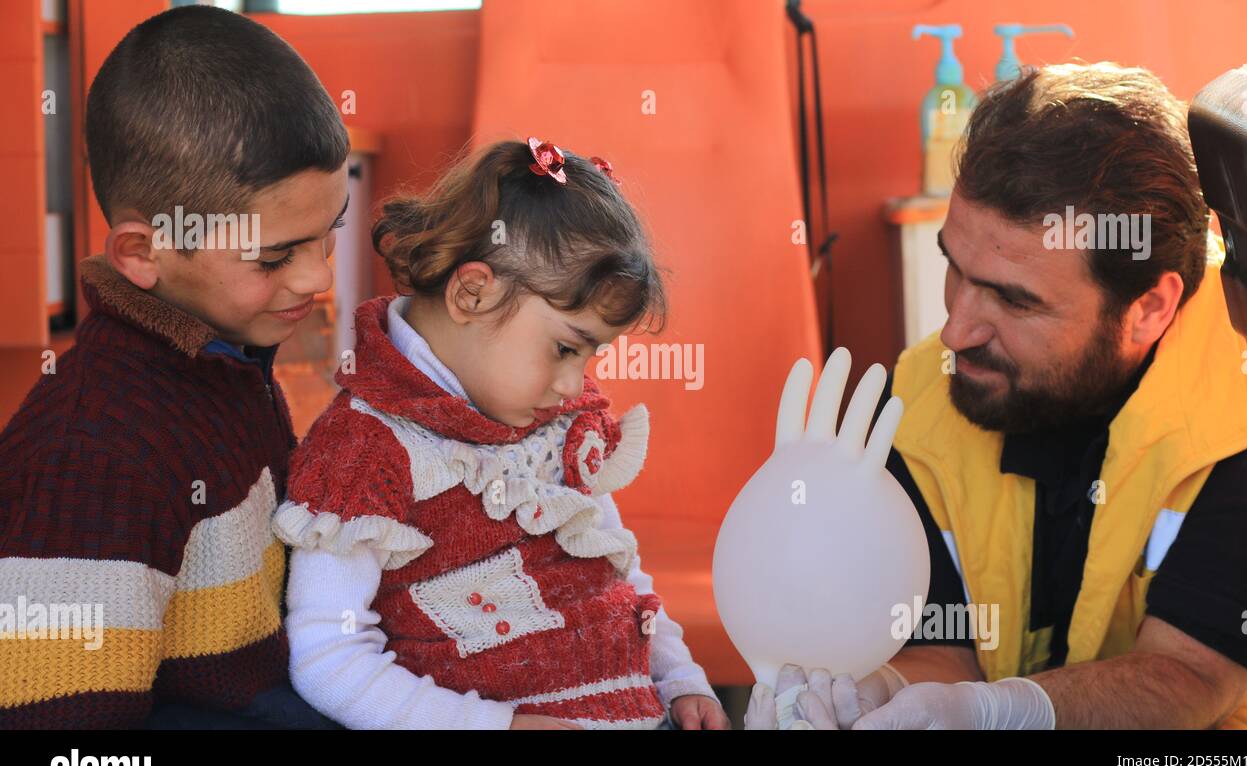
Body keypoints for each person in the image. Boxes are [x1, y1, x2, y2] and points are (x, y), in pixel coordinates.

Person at [749, 63, 1247, 730]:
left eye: (1014, 298)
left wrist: (999, 711)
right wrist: (877, 694)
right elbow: (941, 651)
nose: (955, 329)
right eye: (955, 266)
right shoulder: (923, 401)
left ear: (1150, 306)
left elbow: (1187, 678)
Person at [274, 137, 727, 729]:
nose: (574, 384)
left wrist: (681, 682)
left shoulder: (558, 425)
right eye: (565, 348)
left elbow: (617, 574)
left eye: (589, 357)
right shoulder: (362, 454)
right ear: (473, 292)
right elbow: (328, 658)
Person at [0, 6, 351, 728]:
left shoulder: (223, 360)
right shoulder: (92, 451)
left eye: (330, 233)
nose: (317, 277)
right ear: (142, 253)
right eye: (276, 255)